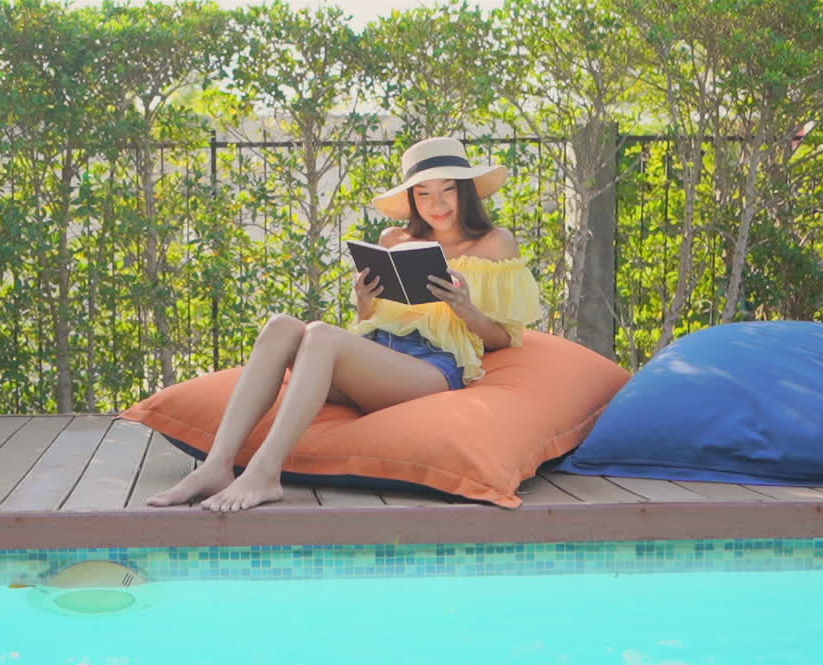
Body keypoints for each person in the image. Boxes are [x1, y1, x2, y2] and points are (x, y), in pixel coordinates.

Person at [148, 136, 541, 512]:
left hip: (431, 367)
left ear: (465, 191)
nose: (435, 204)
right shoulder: (394, 238)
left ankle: (264, 472)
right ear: (411, 198)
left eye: (447, 190)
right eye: (423, 193)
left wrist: (465, 308)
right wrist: (364, 301)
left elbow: (504, 339)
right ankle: (216, 465)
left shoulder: (494, 243)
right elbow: (368, 322)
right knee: (281, 325)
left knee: (320, 334)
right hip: (377, 357)